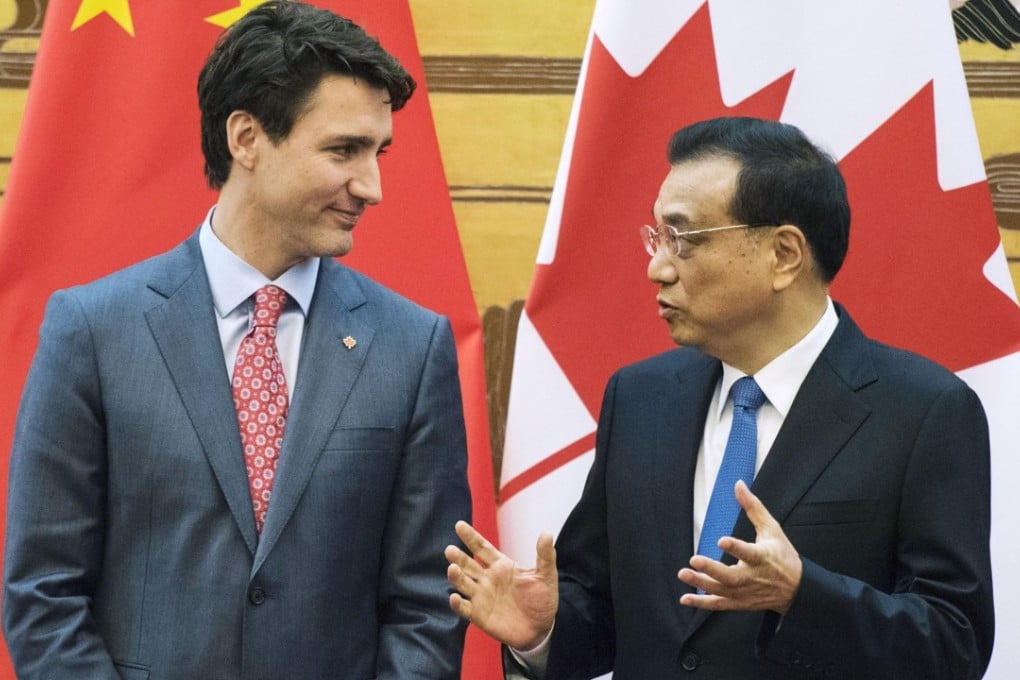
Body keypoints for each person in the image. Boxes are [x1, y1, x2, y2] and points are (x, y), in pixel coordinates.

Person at [3, 2, 470, 678]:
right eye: (344, 150)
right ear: (247, 138)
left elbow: (426, 611)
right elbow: (43, 597)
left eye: (379, 152)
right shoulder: (93, 330)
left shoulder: (412, 347)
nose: (372, 186)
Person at [445, 116, 994, 679]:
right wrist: (544, 631)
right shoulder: (640, 399)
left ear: (783, 254)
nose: (657, 268)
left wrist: (802, 595)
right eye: (657, 238)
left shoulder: (924, 411)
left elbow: (956, 643)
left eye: (682, 239)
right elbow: (612, 613)